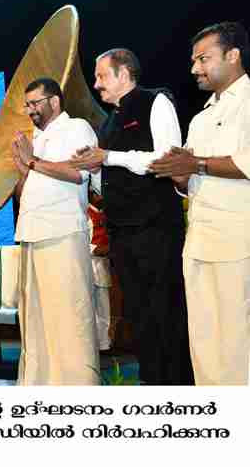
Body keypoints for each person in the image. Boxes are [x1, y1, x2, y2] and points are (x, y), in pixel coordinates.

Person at [71, 48, 194, 385]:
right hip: (122, 235)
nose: (95, 84)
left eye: (101, 76)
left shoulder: (156, 102)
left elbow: (165, 160)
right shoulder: (109, 122)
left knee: (166, 313)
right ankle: (152, 384)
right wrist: (93, 167)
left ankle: (178, 389)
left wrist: (108, 156)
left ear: (124, 74)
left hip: (156, 229)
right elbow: (108, 179)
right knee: (139, 318)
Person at [149, 22, 250, 385]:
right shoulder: (201, 118)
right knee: (204, 344)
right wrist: (176, 172)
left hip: (238, 244)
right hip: (199, 243)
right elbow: (190, 183)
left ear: (233, 55)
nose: (195, 69)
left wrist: (197, 164)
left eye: (203, 59)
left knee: (237, 344)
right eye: (193, 61)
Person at [11, 77, 99, 385]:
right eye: (28, 105)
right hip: (31, 235)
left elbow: (79, 173)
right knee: (34, 322)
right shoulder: (36, 138)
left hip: (62, 232)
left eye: (35, 103)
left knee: (70, 319)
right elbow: (25, 193)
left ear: (55, 101)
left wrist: (33, 161)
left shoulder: (77, 128)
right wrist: (23, 170)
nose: (30, 110)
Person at [88, 192, 112, 352]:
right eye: (97, 193)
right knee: (87, 307)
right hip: (87, 262)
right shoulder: (83, 212)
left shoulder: (108, 213)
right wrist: (96, 250)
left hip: (102, 266)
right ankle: (89, 345)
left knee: (104, 309)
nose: (101, 196)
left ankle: (104, 345)